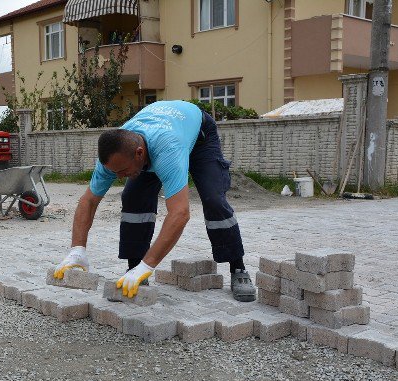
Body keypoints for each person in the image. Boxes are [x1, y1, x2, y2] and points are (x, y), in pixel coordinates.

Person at [53, 100, 256, 302]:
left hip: (199, 137)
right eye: (115, 172)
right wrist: (77, 249)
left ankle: (237, 267)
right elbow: (88, 201)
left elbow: (180, 213)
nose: (120, 176)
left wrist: (148, 265)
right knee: (133, 197)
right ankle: (134, 270)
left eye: (123, 171)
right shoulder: (116, 152)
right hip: (156, 139)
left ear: (139, 154)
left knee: (214, 200)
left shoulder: (167, 151)